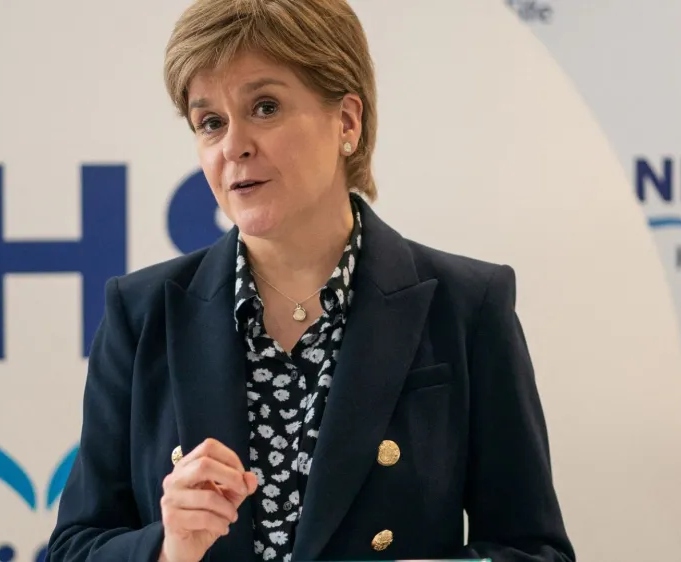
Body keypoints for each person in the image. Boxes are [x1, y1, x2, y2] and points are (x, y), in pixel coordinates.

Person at [47, 0, 575, 560]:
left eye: (266, 107)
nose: (234, 146)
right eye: (211, 122)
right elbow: (77, 545)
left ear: (347, 120)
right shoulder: (142, 311)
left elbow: (533, 550)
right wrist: (166, 547)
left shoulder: (468, 306)